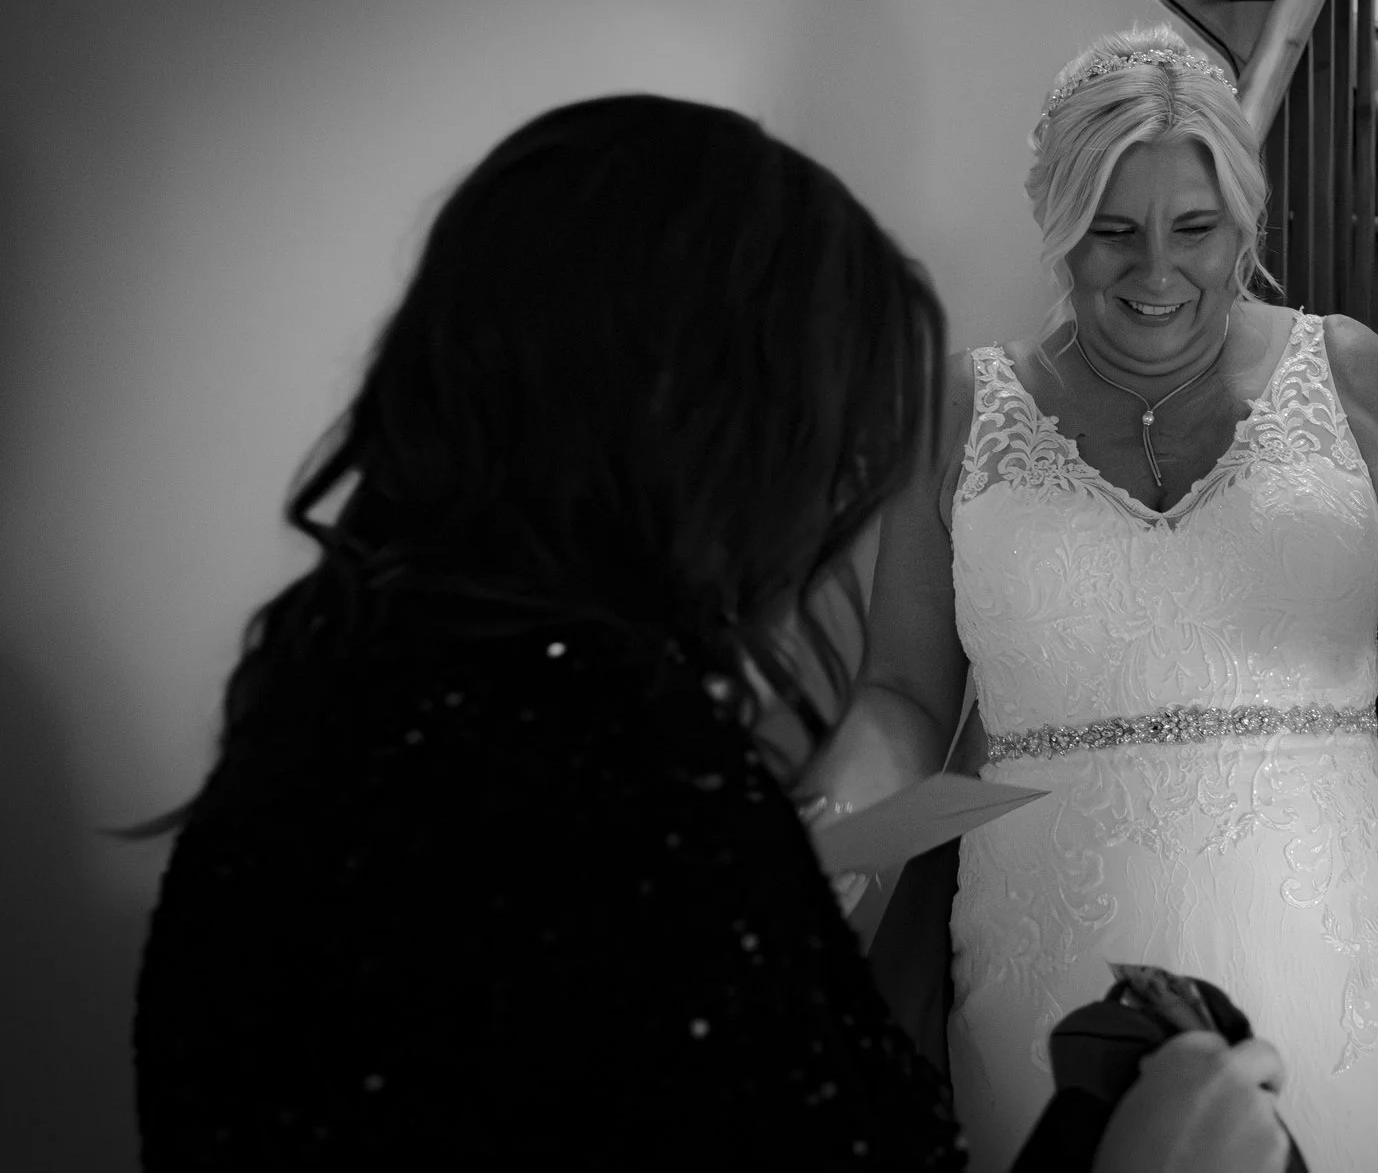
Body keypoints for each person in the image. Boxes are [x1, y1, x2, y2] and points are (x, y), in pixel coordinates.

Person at [130, 94, 1292, 1172]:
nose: (835, 495)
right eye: (827, 435)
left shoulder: (319, 703)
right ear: (701, 428)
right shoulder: (638, 808)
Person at [807, 26, 1378, 1173]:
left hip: (1329, 921)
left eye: (1194, 228)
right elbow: (906, 696)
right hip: (1047, 932)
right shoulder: (960, 406)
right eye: (1112, 231)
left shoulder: (1347, 370)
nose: (1155, 274)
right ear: (1056, 224)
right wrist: (828, 843)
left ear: (1243, 219)